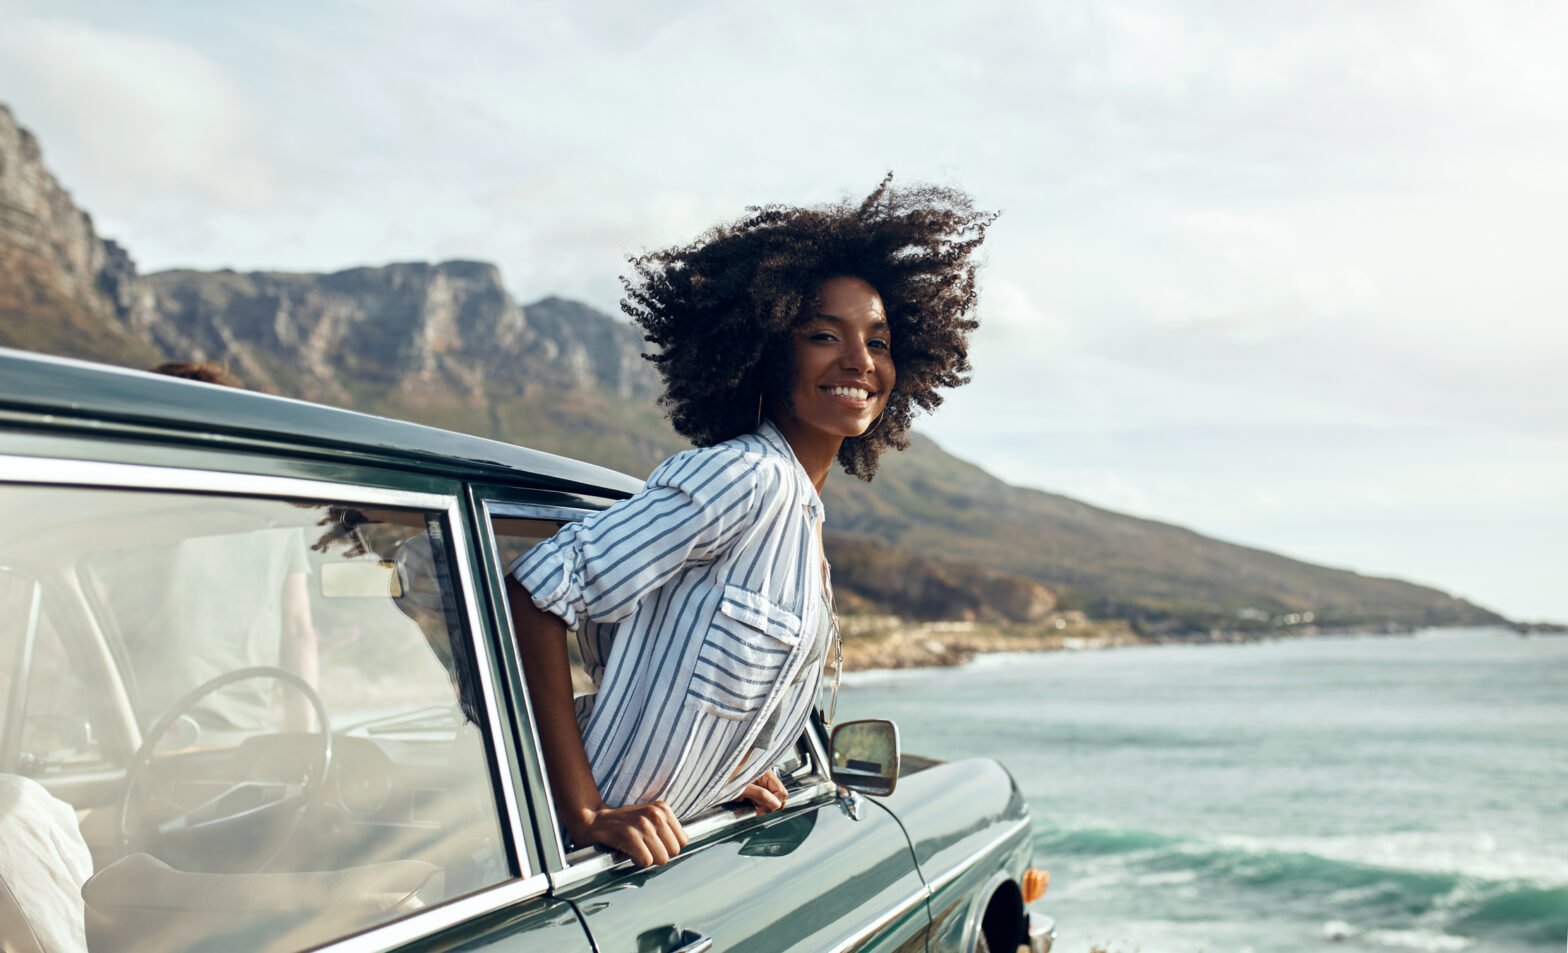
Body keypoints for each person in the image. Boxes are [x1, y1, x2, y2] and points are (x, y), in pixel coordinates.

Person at [505, 176, 994, 867]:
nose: (858, 359)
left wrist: (731, 768)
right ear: (768, 347)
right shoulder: (747, 477)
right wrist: (584, 809)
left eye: (879, 342)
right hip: (570, 869)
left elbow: (684, 669)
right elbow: (537, 590)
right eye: (824, 334)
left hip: (648, 864)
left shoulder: (800, 515)